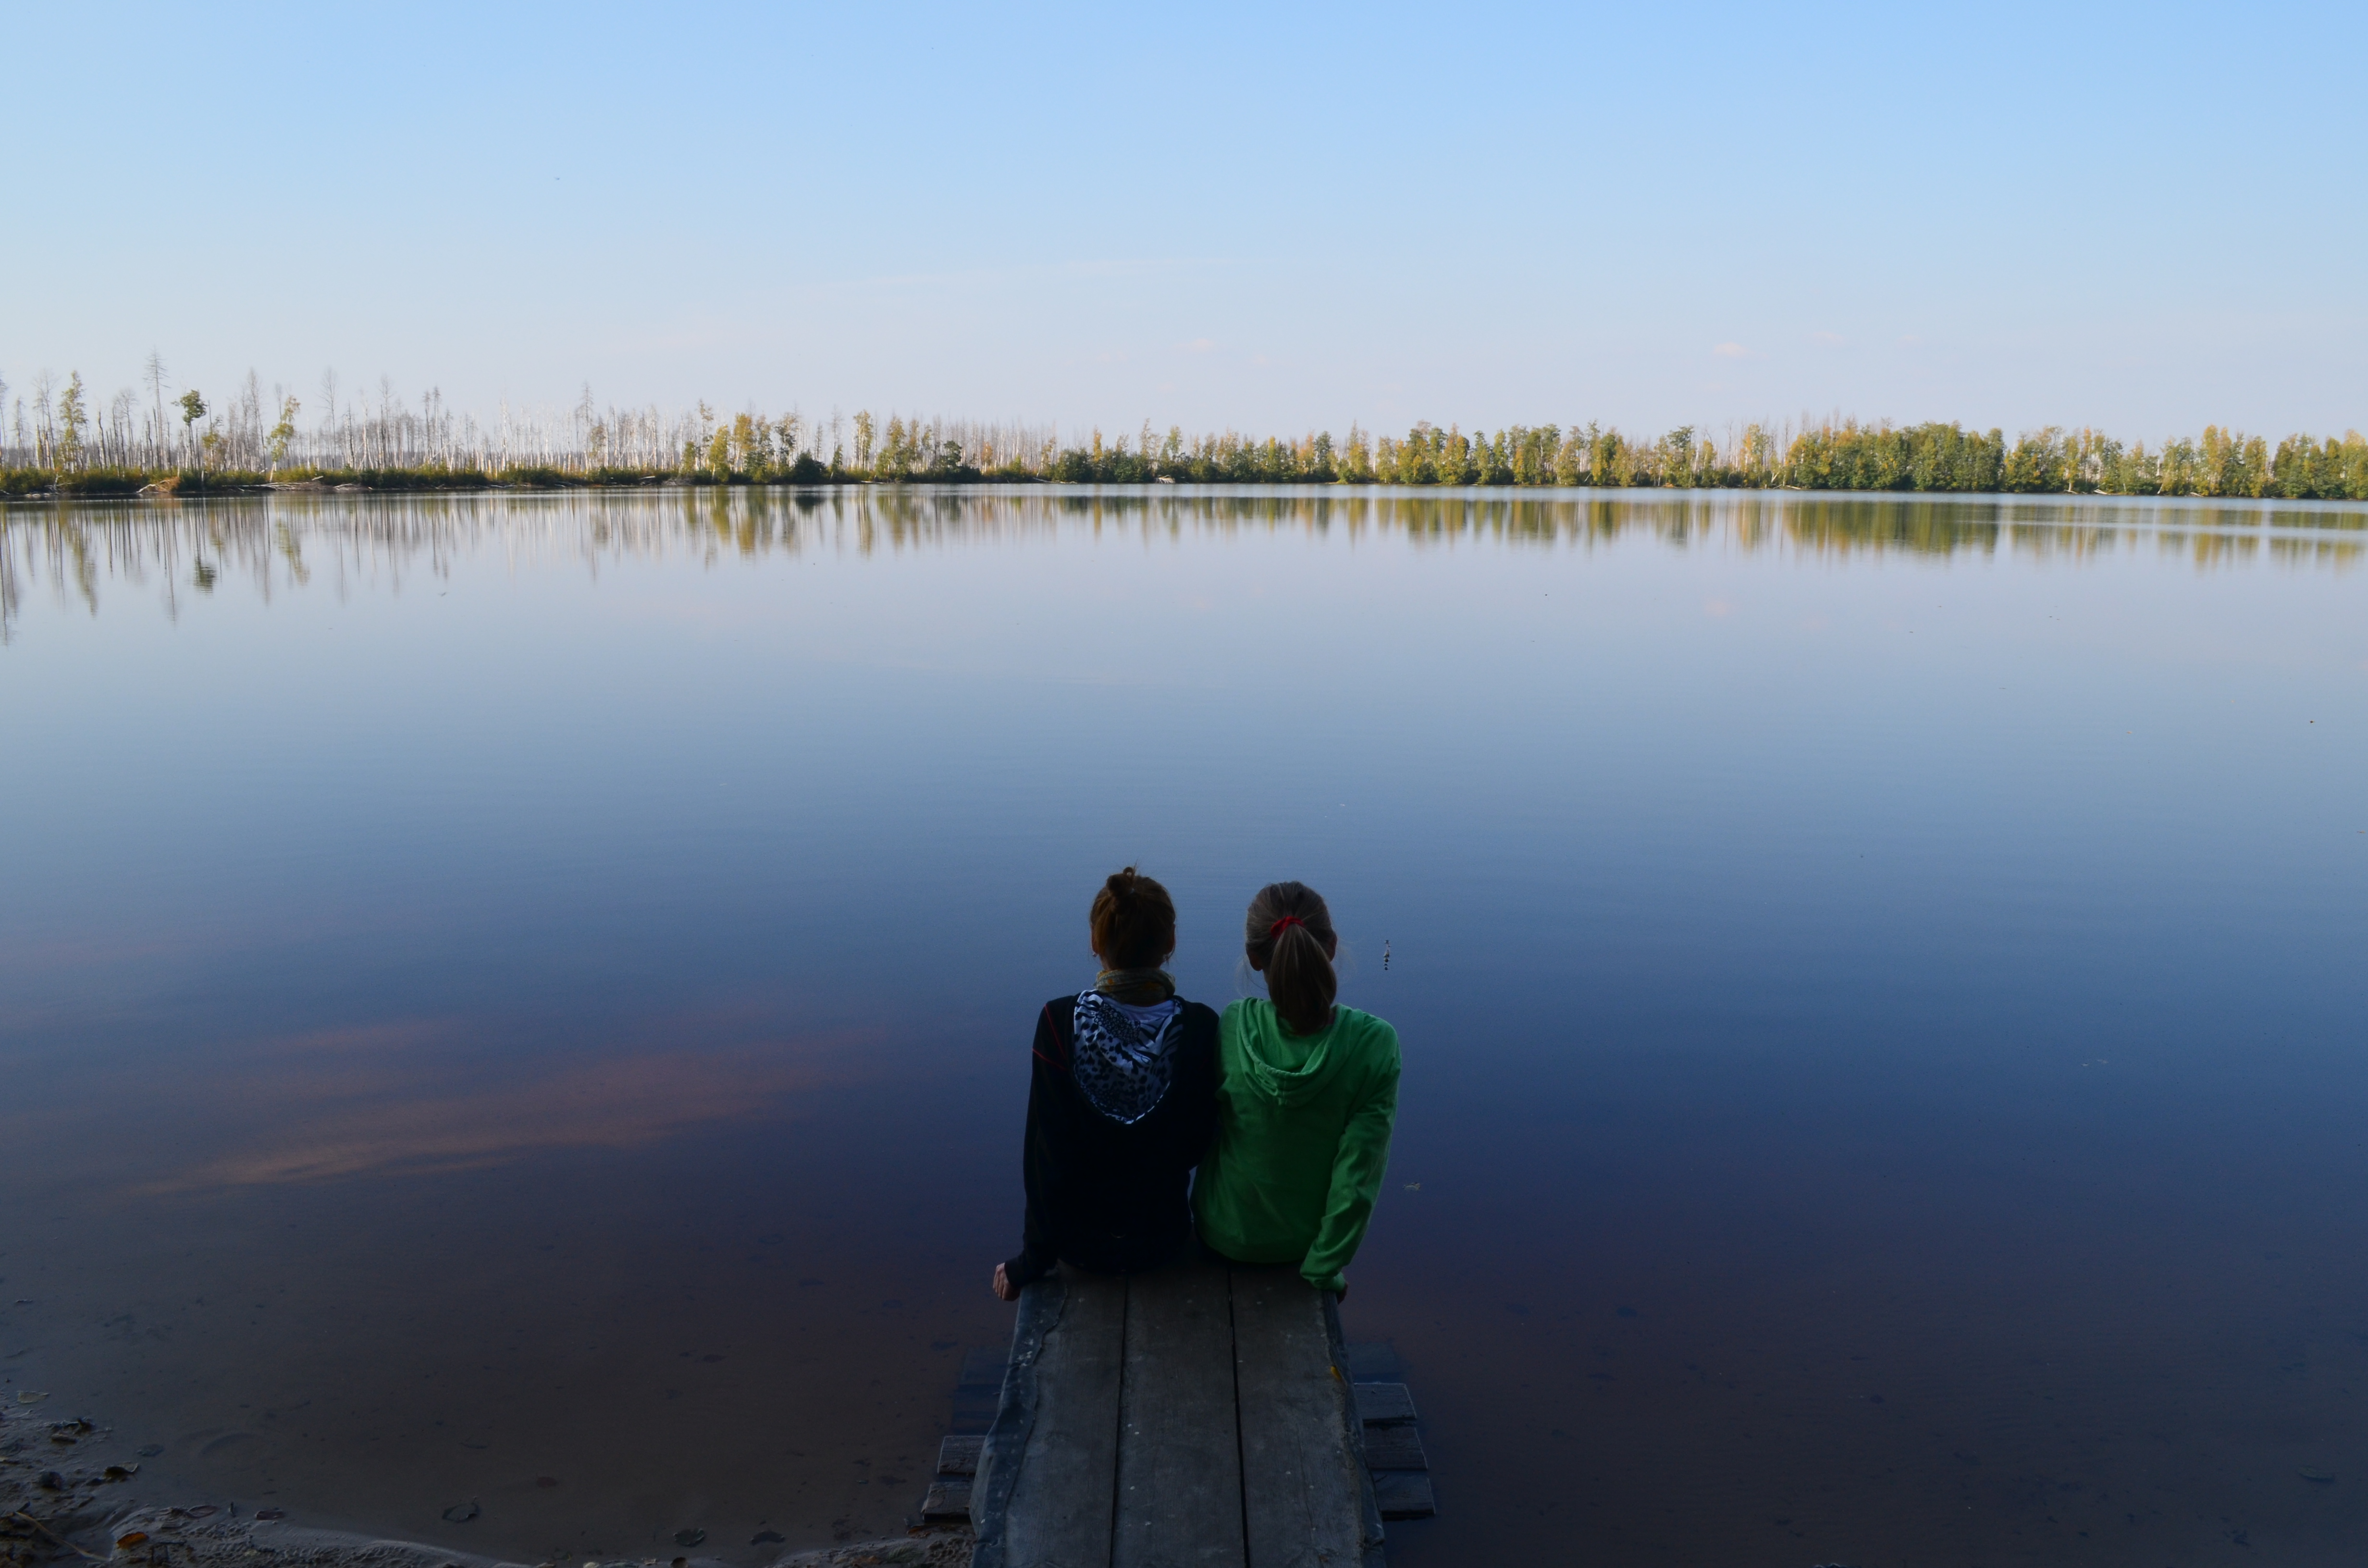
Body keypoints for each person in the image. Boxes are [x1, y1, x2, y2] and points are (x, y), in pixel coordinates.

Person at [992, 868, 1219, 1300]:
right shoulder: (1201, 1028)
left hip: (1080, 1249)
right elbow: (1198, 1143)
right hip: (1163, 1242)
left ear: (1095, 943)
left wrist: (1031, 1261)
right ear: (1171, 943)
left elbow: (1044, 1154)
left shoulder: (1057, 1023)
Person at [1192, 881, 1399, 1300]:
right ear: (1331, 946)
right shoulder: (1373, 1045)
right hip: (1301, 1249)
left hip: (1221, 1235)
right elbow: (1357, 1178)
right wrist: (1325, 1268)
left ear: (1253, 959)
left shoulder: (1233, 1025)